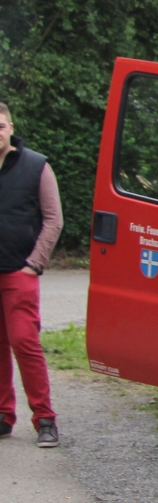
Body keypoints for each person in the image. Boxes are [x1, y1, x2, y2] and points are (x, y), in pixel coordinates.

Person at [0, 103, 62, 447]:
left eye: (0, 125)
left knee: (24, 343)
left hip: (19, 273)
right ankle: (3, 415)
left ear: (11, 127)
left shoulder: (36, 166)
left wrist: (34, 264)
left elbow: (53, 219)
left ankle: (45, 419)